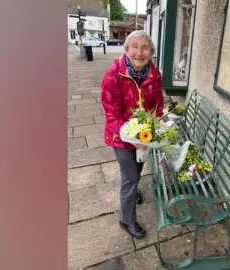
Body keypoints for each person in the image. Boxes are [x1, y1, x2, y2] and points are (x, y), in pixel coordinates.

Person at [100, 31, 164, 239]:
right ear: (127, 50)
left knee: (136, 171)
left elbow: (158, 105)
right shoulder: (113, 74)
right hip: (121, 137)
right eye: (134, 46)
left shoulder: (155, 75)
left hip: (144, 136)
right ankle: (126, 219)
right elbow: (111, 112)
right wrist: (133, 137)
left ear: (151, 53)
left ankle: (133, 190)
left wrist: (156, 129)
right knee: (129, 178)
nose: (140, 52)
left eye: (145, 47)